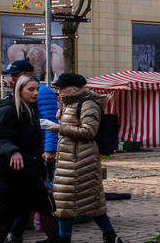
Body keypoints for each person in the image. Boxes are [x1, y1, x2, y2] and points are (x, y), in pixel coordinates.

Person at [0, 74, 60, 243]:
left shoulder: (30, 108)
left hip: (31, 171)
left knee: (46, 208)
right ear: (20, 90)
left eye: (37, 89)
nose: (35, 93)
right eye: (31, 89)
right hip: (9, 174)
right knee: (3, 218)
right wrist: (12, 151)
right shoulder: (8, 109)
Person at [51, 73, 124, 243]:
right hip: (68, 159)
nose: (59, 91)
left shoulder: (88, 104)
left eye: (62, 87)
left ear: (73, 88)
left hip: (82, 159)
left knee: (89, 201)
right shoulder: (68, 103)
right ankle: (68, 238)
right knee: (65, 202)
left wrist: (59, 127)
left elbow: (89, 132)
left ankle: (109, 235)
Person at [2, 60, 58, 243]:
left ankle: (53, 236)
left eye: (15, 74)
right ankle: (17, 233)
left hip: (40, 153)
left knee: (42, 197)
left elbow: (49, 122)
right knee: (31, 196)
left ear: (26, 73)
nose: (12, 78)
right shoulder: (18, 95)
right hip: (28, 153)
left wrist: (49, 149)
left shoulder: (43, 92)